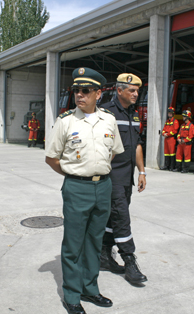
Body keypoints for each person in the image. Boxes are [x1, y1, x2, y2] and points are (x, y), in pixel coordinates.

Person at [45, 67, 124, 314]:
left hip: (103, 186)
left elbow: (112, 153)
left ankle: (90, 289)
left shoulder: (109, 120)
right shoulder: (66, 121)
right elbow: (51, 158)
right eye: (76, 90)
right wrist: (75, 174)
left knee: (94, 242)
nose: (80, 95)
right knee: (73, 244)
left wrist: (95, 173)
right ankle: (72, 295)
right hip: (76, 187)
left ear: (98, 94)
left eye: (86, 91)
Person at [99, 73, 147, 285]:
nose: (136, 94)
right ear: (119, 91)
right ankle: (129, 260)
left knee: (113, 217)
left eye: (137, 90)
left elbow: (137, 144)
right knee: (122, 217)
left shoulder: (134, 115)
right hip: (111, 176)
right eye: (132, 90)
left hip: (127, 177)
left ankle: (104, 255)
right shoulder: (106, 113)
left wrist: (142, 171)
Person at [160, 107, 179, 171]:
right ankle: (166, 166)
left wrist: (167, 134)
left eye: (170, 113)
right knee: (166, 152)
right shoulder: (167, 121)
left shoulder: (175, 121)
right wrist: (163, 133)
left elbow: (175, 131)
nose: (169, 114)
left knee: (172, 153)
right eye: (169, 113)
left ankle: (172, 166)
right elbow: (163, 129)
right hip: (166, 139)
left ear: (173, 114)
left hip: (171, 139)